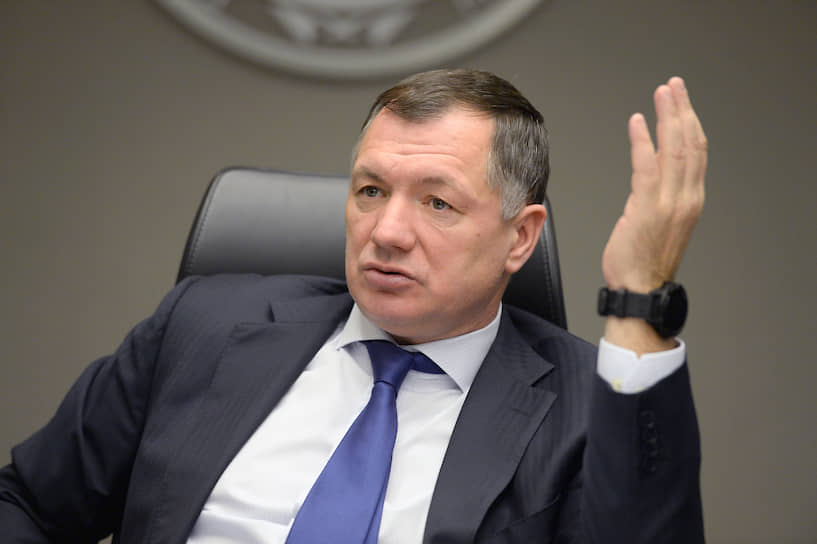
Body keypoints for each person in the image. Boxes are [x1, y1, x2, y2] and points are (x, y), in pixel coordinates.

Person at [0, 69, 707, 543]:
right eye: (370, 191)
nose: (387, 231)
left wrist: (638, 298)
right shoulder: (202, 325)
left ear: (519, 237)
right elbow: (27, 503)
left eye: (437, 202)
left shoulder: (586, 408)